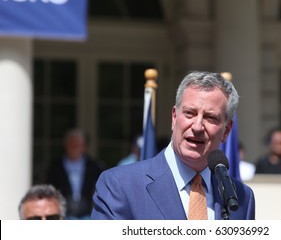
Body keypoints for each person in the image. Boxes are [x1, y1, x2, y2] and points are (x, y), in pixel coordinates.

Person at [91, 71, 255, 220]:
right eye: (189, 113)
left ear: (226, 131)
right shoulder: (120, 185)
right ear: (174, 117)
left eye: (210, 117)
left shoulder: (241, 197)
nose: (197, 126)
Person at [46, 128, 106, 219]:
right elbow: (49, 189)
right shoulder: (55, 166)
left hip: (89, 215)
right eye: (71, 144)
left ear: (84, 147)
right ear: (65, 145)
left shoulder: (96, 166)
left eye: (77, 145)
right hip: (63, 214)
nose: (74, 148)